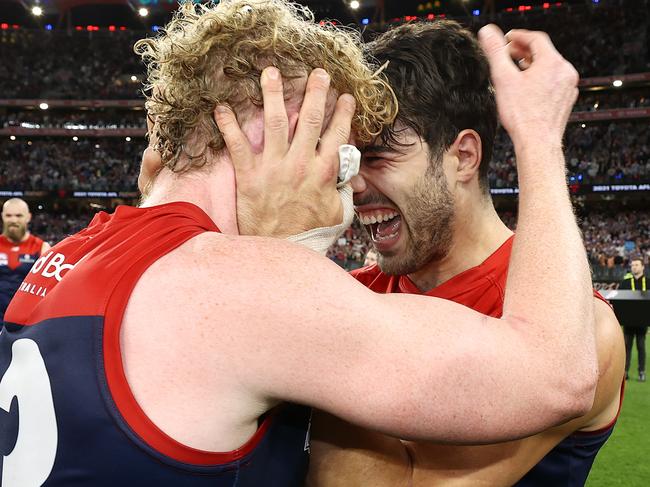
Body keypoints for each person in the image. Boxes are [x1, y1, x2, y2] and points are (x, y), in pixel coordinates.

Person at [2, 1, 598, 485]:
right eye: (340, 153)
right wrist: (540, 137)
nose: (351, 181)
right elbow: (559, 376)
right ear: (281, 129)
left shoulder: (72, 251)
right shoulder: (242, 288)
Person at [307, 22, 625, 487]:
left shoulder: (578, 333)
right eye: (351, 162)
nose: (354, 186)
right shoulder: (353, 293)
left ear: (463, 156)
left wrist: (313, 332)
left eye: (377, 157)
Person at [0, 197, 50, 321]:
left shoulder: (42, 248)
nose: (13, 220)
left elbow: (49, 290)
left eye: (18, 215)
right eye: (9, 215)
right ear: (2, 216)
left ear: (28, 217)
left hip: (27, 323)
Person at [620, 258, 647, 382]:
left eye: (637, 265)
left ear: (643, 267)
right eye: (632, 265)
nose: (634, 267)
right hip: (628, 321)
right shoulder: (625, 283)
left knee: (641, 346)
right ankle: (624, 372)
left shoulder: (648, 282)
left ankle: (641, 372)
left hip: (642, 321)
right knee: (626, 347)